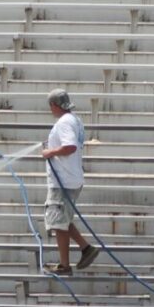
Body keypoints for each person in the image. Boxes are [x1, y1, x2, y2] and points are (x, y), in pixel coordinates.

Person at [41, 88, 100, 275]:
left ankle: (66, 265)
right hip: (70, 179)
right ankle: (86, 249)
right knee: (62, 219)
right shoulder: (74, 119)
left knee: (58, 222)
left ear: (54, 105)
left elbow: (70, 146)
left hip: (64, 181)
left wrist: (50, 152)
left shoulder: (65, 122)